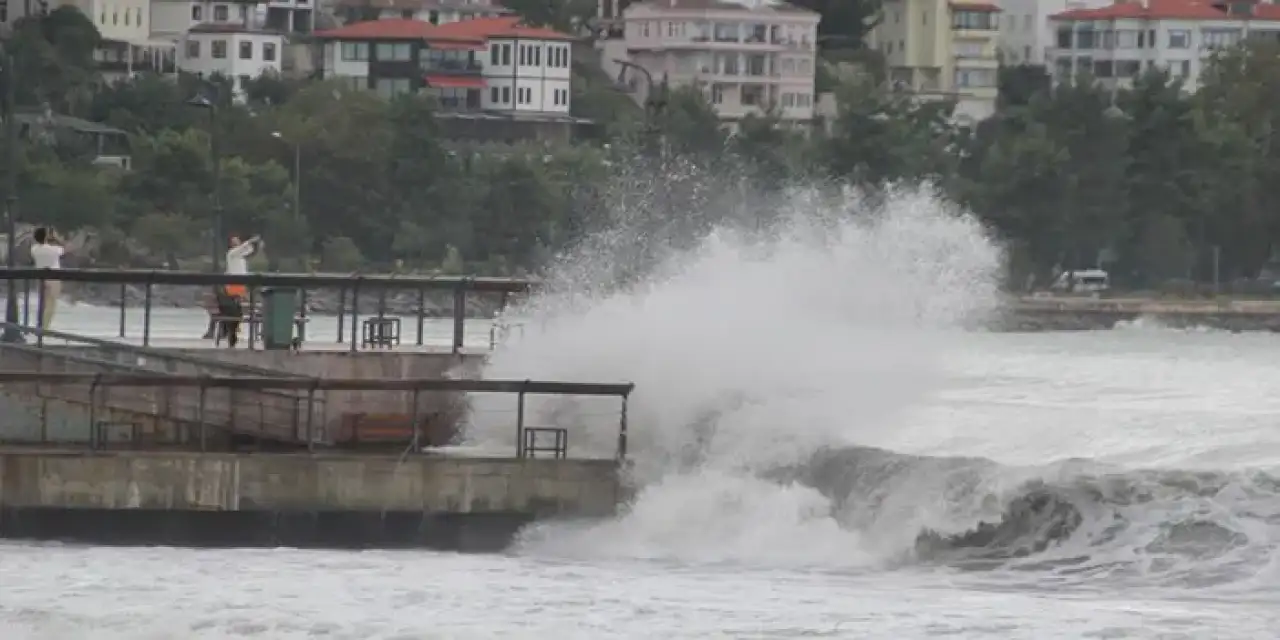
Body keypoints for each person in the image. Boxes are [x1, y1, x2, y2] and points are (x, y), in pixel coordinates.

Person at [213, 234, 262, 348]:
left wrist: (255, 244)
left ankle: (232, 331)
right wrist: (250, 240)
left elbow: (249, 250)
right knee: (235, 305)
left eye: (237, 240)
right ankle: (230, 332)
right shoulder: (231, 254)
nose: (236, 242)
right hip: (234, 284)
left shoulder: (240, 256)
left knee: (239, 305)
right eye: (233, 241)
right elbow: (243, 248)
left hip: (240, 284)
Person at [29, 227, 64, 330]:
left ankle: (40, 325)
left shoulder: (34, 249)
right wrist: (57, 238)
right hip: (54, 279)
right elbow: (65, 249)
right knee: (51, 304)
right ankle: (44, 327)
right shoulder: (53, 249)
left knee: (43, 304)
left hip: (41, 279)